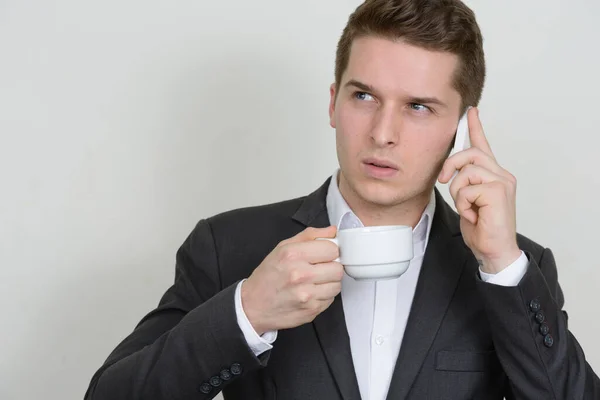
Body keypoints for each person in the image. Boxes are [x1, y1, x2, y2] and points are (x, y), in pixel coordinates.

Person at [84, 0, 600, 399]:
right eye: (364, 96)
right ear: (333, 102)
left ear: (463, 129)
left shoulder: (514, 268)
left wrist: (500, 263)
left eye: (418, 107)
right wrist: (248, 312)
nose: (382, 133)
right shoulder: (228, 246)